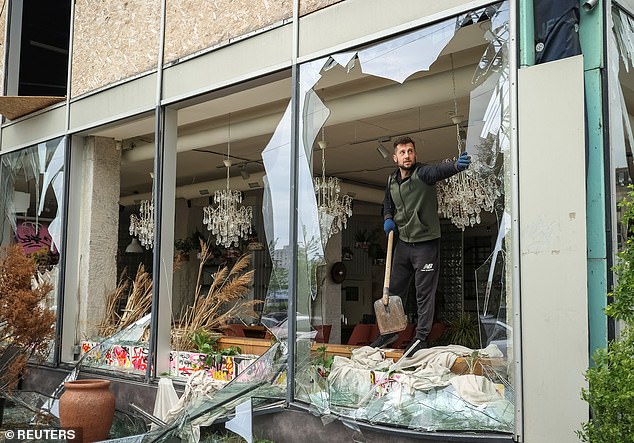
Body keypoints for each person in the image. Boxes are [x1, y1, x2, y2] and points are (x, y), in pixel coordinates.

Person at [371, 136, 471, 353]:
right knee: (394, 289)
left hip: (425, 244)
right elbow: (387, 201)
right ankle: (389, 332)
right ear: (395, 157)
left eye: (410, 151)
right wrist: (388, 217)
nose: (407, 155)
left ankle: (421, 337)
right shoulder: (391, 180)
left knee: (424, 292)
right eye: (403, 152)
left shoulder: (422, 174)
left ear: (415, 155)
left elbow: (438, 171)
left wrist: (455, 166)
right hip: (404, 244)